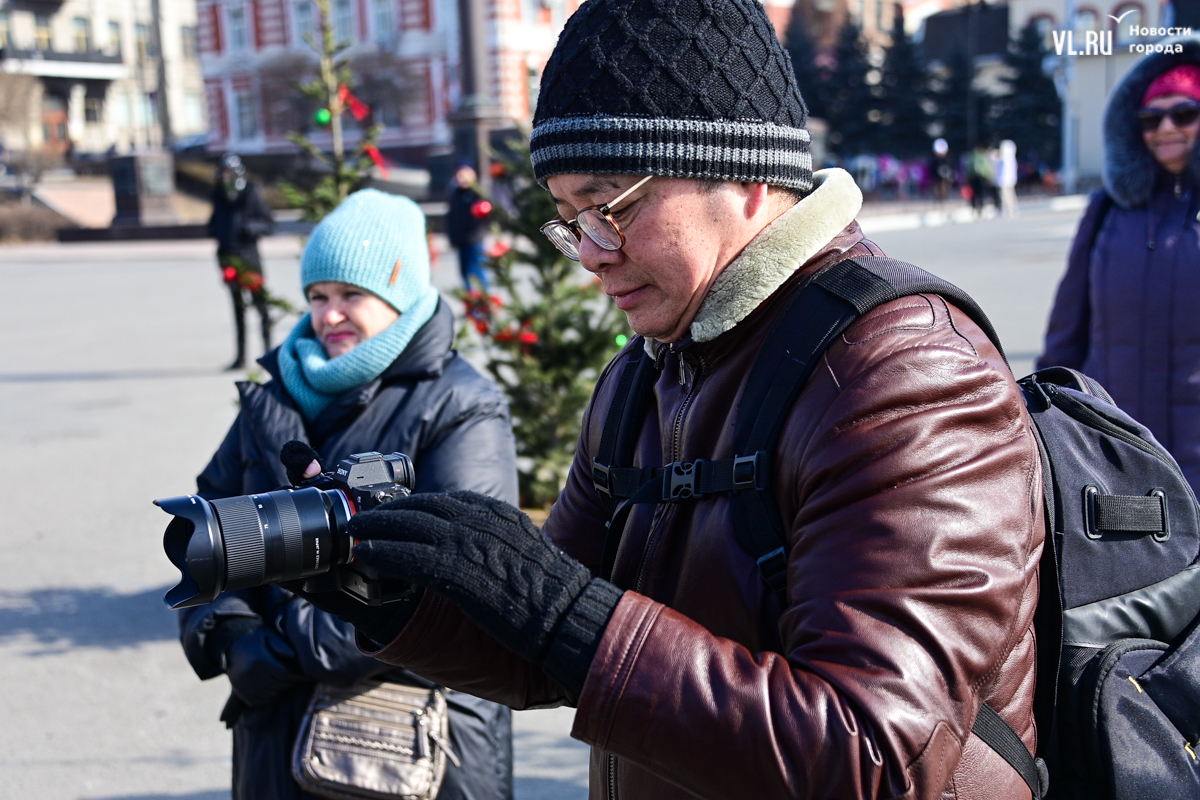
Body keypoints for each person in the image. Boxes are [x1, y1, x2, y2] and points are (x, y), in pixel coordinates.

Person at [315, 0, 1045, 797]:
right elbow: (543, 650)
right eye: (569, 221)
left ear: (747, 173)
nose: (590, 254)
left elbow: (872, 756)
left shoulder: (904, 369)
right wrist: (383, 594)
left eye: (610, 208)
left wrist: (568, 615)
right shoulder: (644, 375)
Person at [178, 189, 519, 800]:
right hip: (275, 728)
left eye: (350, 295)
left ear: (399, 295)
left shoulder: (461, 407)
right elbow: (208, 524)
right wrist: (227, 635)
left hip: (407, 740)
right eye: (318, 296)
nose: (329, 315)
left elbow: (459, 579)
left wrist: (281, 650)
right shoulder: (275, 395)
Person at [1040, 45, 1200, 495]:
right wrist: (1042, 412)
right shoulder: (1108, 209)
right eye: (1151, 118)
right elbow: (1067, 330)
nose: (1166, 128)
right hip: (1114, 456)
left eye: (1184, 114)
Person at [207, 152, 275, 370]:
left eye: (229, 172)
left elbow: (267, 223)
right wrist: (217, 231)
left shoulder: (250, 193)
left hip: (249, 259)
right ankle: (240, 356)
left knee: (261, 307)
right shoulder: (219, 195)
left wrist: (248, 229)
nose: (225, 176)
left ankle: (268, 354)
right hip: (229, 259)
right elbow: (214, 222)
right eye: (223, 172)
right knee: (238, 309)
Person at [446, 164, 488, 290]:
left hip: (474, 240)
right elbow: (451, 217)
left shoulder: (477, 194)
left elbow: (484, 216)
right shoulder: (455, 194)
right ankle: (470, 297)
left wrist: (476, 234)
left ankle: (483, 297)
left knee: (478, 271)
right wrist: (452, 237)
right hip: (461, 241)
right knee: (465, 272)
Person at [996, 139, 1019, 219]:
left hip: (1005, 180)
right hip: (1011, 180)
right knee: (1011, 196)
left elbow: (1002, 170)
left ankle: (1009, 211)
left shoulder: (1004, 159)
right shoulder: (1012, 158)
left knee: (1006, 197)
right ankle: (1012, 210)